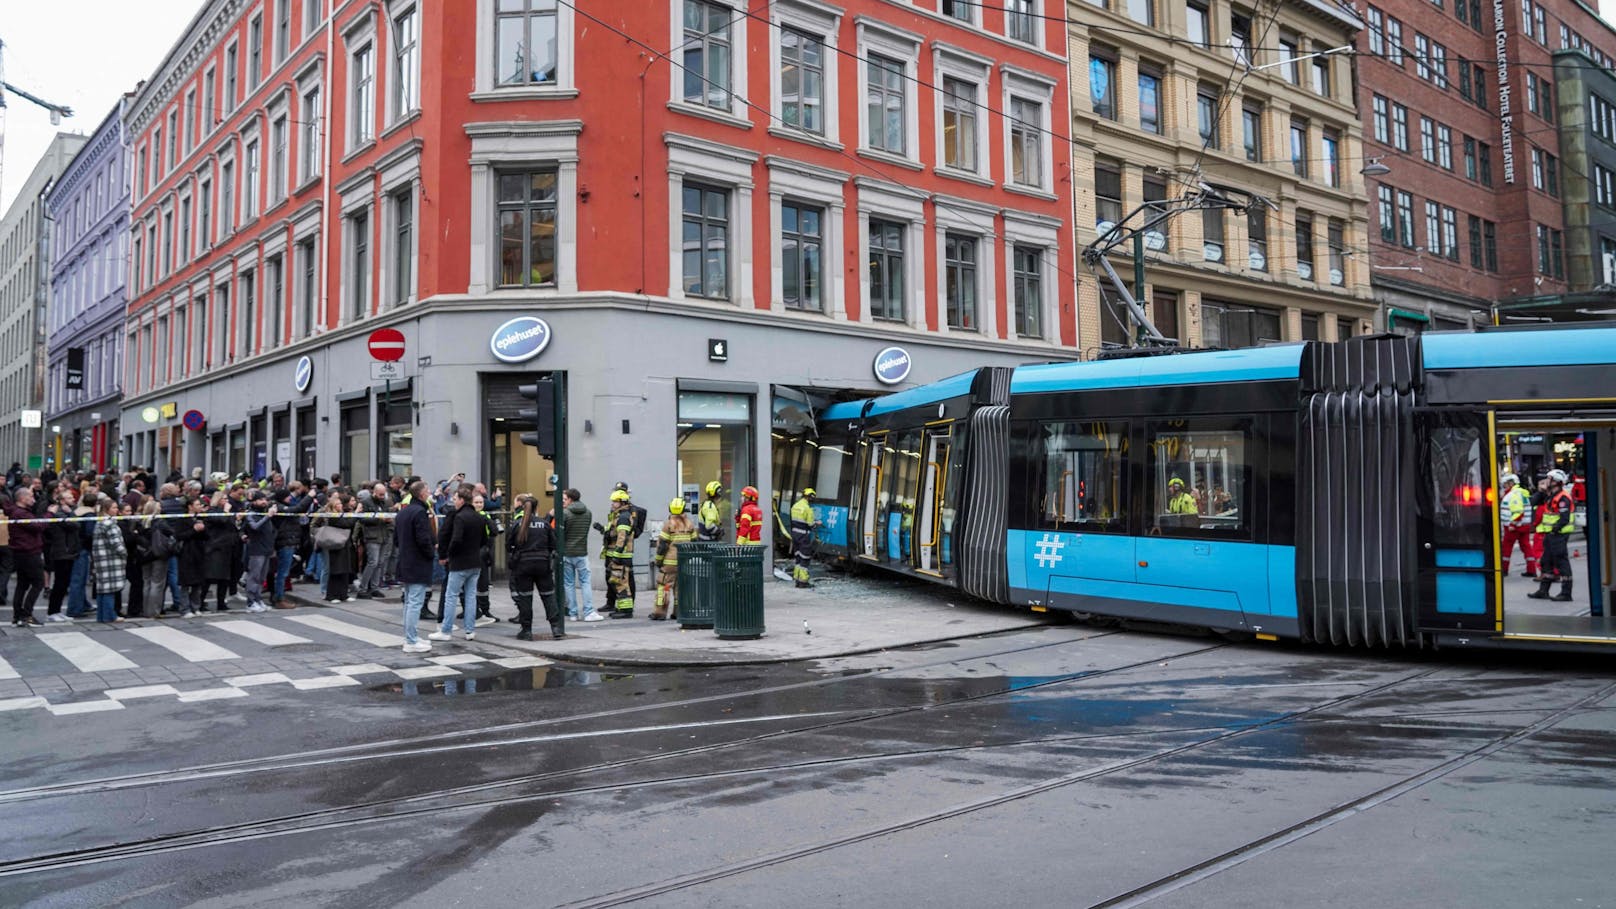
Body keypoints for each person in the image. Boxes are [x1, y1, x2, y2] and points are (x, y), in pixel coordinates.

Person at [429, 485, 487, 642]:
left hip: (459, 562)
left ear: (462, 500)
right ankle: (470, 630)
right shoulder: (479, 517)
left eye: (455, 499)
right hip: (475, 561)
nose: (454, 502)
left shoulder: (459, 517)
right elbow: (484, 540)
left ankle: (446, 630)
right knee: (470, 596)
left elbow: (456, 539)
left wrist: (449, 554)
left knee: (451, 596)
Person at [508, 493, 564, 640]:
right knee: (548, 596)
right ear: (536, 508)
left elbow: (509, 546)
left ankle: (526, 630)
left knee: (526, 598)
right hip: (542, 565)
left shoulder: (518, 524)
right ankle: (556, 627)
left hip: (523, 566)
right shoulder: (544, 524)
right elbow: (553, 544)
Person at [394, 480, 437, 653]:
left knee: (409, 601)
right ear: (421, 494)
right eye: (427, 490)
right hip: (417, 562)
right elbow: (423, 538)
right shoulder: (419, 512)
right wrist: (430, 554)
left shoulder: (404, 512)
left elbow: (396, 539)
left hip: (405, 560)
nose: (429, 492)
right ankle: (411, 641)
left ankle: (410, 636)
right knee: (414, 602)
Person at [1528, 469, 1577, 602]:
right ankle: (1543, 591)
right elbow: (1532, 502)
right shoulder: (1550, 495)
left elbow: (1564, 518)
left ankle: (1566, 593)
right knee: (1546, 561)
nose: (1546, 481)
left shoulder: (1563, 498)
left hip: (1558, 535)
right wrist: (1541, 491)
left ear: (1556, 482)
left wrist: (1555, 529)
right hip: (1550, 535)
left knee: (1561, 562)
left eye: (1549, 479)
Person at [5, 487, 47, 626]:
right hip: (29, 552)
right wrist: (49, 514)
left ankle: (17, 616)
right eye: (30, 496)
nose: (33, 499)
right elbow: (38, 526)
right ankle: (26, 614)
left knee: (22, 585)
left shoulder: (18, 512)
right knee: (38, 583)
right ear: (22, 498)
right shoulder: (21, 514)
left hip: (21, 552)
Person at [559, 488, 602, 622]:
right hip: (582, 552)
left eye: (565, 499)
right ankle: (589, 611)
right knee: (585, 582)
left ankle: (573, 613)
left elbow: (561, 533)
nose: (563, 502)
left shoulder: (565, 513)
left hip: (567, 553)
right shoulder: (588, 513)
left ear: (571, 499)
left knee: (569, 583)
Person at [652, 497, 697, 620]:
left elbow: (662, 545)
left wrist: (658, 560)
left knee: (664, 586)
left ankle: (660, 612)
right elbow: (694, 542)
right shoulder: (689, 524)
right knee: (680, 588)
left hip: (669, 564)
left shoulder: (669, 525)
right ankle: (678, 612)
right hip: (684, 563)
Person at [313, 496, 359, 603]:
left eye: (340, 503)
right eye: (337, 504)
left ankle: (343, 594)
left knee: (345, 569)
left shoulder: (342, 514)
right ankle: (332, 595)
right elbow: (347, 524)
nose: (340, 505)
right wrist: (356, 513)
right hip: (335, 544)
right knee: (335, 570)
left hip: (344, 543)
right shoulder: (333, 516)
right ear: (333, 506)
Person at [89, 497, 127, 624]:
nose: (117, 510)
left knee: (103, 590)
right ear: (107, 509)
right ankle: (110, 615)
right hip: (110, 560)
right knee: (110, 590)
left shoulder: (100, 522)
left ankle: (102, 616)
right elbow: (116, 543)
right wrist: (124, 554)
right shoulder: (109, 523)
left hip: (101, 559)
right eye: (114, 508)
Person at [601, 489, 637, 618]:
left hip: (622, 556)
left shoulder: (623, 517)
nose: (612, 503)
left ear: (622, 502)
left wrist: (616, 554)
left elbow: (622, 537)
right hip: (620, 556)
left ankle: (626, 611)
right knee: (618, 581)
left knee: (622, 583)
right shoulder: (619, 516)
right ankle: (621, 608)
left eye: (615, 502)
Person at [241, 491, 278, 613]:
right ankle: (250, 602)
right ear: (255, 501)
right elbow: (255, 527)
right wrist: (268, 516)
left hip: (266, 548)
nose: (264, 502)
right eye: (261, 499)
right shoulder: (251, 513)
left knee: (262, 577)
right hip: (256, 550)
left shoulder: (264, 513)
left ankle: (258, 599)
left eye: (265, 499)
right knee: (254, 577)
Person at [473, 492, 504, 625]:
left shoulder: (485, 515)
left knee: (483, 583)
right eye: (476, 502)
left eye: (481, 502)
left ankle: (484, 610)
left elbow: (494, 532)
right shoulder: (471, 516)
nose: (479, 504)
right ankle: (474, 611)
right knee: (473, 583)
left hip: (483, 551)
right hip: (473, 552)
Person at [1498, 473, 1538, 578]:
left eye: (1505, 484)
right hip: (1524, 526)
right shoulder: (1522, 493)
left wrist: (1513, 524)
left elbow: (1518, 512)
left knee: (1506, 548)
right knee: (1526, 546)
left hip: (1514, 527)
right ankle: (1531, 569)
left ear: (1511, 483)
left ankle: (1504, 570)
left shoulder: (1513, 494)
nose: (1504, 486)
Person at [356, 484, 391, 599]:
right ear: (374, 492)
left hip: (383, 535)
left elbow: (388, 513)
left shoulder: (385, 502)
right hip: (372, 536)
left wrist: (388, 519)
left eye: (383, 494)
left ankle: (374, 588)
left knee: (380, 563)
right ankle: (363, 589)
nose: (382, 496)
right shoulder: (366, 502)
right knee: (373, 562)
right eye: (380, 494)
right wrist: (378, 518)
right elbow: (361, 518)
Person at [790, 488, 818, 589]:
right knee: (805, 558)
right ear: (810, 497)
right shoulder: (807, 509)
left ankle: (797, 579)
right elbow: (811, 524)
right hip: (804, 536)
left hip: (795, 534)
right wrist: (817, 523)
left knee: (798, 557)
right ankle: (803, 581)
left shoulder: (795, 506)